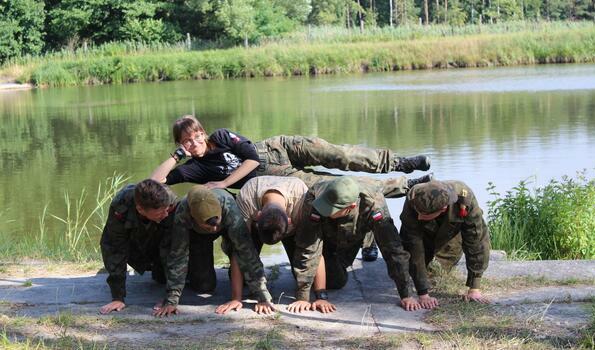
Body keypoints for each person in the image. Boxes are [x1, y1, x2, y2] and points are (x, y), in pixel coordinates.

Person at [150, 115, 430, 190]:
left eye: (197, 134)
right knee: (338, 185)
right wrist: (176, 157)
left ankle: (400, 162)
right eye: (187, 140)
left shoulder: (221, 136)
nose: (195, 141)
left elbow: (252, 157)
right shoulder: (194, 169)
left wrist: (223, 183)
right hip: (278, 179)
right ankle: (406, 186)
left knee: (342, 155)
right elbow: (155, 183)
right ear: (182, 143)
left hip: (280, 149)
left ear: (203, 131)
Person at [282, 176, 417, 313]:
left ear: (350, 207)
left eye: (330, 209)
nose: (324, 210)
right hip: (327, 230)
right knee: (305, 272)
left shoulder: (373, 204)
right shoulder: (315, 196)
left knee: (336, 281)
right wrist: (303, 297)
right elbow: (309, 245)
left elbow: (393, 249)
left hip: (354, 229)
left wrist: (406, 294)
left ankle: (370, 235)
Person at [152, 185, 275, 317]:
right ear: (193, 217)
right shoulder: (183, 213)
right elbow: (179, 255)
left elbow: (247, 252)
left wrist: (263, 297)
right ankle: (165, 273)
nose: (215, 229)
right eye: (210, 226)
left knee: (245, 270)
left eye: (217, 224)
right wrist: (171, 300)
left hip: (228, 227)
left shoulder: (229, 207)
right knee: (204, 285)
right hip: (199, 235)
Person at [399, 180, 491, 310]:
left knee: (440, 268)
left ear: (443, 209)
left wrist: (474, 288)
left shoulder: (465, 199)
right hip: (425, 233)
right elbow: (414, 245)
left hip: (451, 233)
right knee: (409, 267)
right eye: (418, 212)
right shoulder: (414, 196)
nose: (419, 217)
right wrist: (423, 294)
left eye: (424, 215)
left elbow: (476, 241)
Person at [99, 179, 177, 315]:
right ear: (140, 209)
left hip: (161, 239)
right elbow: (115, 247)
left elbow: (175, 248)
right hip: (137, 239)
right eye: (160, 212)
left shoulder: (171, 202)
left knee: (161, 278)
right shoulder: (121, 205)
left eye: (166, 210)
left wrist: (171, 299)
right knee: (113, 243)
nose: (165, 214)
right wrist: (118, 297)